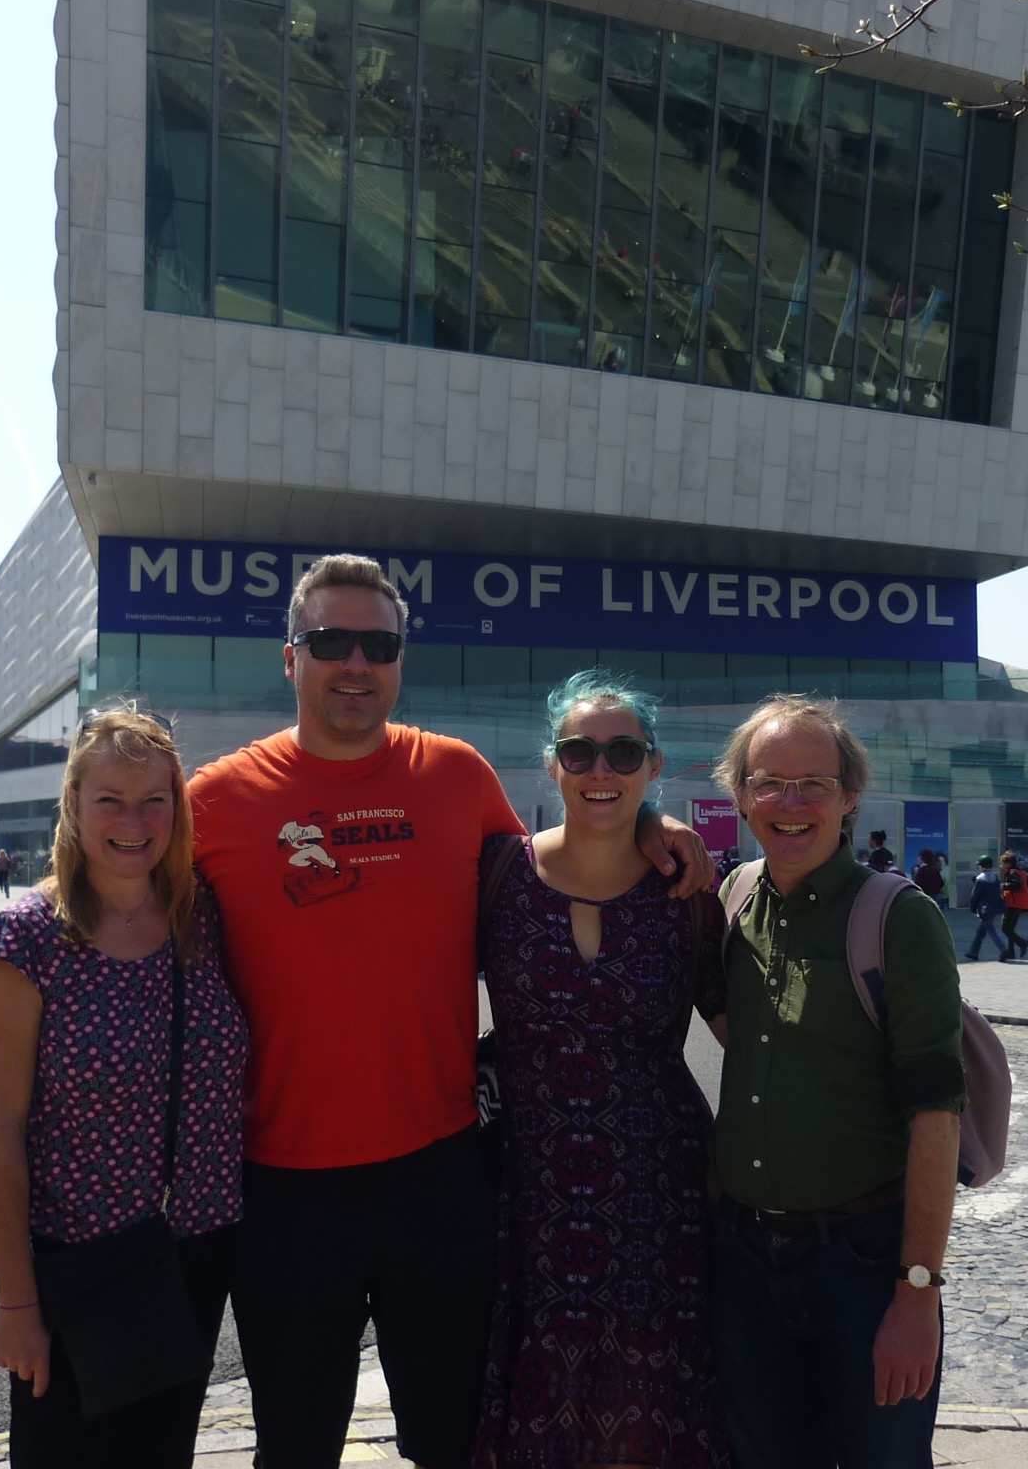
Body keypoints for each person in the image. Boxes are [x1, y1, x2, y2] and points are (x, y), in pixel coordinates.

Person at [185, 554, 710, 1469]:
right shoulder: (216, 800)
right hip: (282, 1187)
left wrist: (648, 821)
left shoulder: (455, 776)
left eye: (378, 646)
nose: (356, 663)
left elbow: (558, 868)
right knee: (295, 1445)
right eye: (331, 642)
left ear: (401, 660)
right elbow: (115, 915)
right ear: (290, 657)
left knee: (451, 1439)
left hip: (439, 1175)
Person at [0, 707, 248, 1468]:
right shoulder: (26, 937)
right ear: (74, 804)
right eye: (110, 801)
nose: (134, 821)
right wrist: (17, 1304)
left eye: (154, 800)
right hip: (78, 1268)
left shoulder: (202, 918)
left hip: (189, 1258)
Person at [474, 671, 730, 1469]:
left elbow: (750, 1041)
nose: (600, 770)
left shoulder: (685, 892)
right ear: (552, 763)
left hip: (660, 1194)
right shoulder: (498, 876)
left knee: (652, 1402)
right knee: (535, 1393)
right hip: (525, 1190)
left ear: (654, 766)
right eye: (579, 751)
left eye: (624, 753)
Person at [709, 695, 965, 1469]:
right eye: (769, 783)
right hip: (745, 1264)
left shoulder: (900, 919)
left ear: (850, 797)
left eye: (814, 785)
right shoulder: (732, 900)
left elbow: (937, 1118)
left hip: (862, 1265)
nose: (790, 805)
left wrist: (916, 1294)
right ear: (741, 795)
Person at [962, 854, 1007, 962]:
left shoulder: (980, 879)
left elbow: (975, 896)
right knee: (980, 932)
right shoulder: (995, 877)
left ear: (982, 866)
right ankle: (973, 952)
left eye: (979, 865)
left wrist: (973, 908)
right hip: (994, 907)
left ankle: (1003, 949)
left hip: (984, 909)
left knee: (990, 930)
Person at [998, 850, 1028, 959]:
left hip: (1013, 903)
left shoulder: (1013, 873)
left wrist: (1003, 886)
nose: (1001, 866)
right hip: (1018, 903)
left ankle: (1022, 942)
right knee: (1010, 928)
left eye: (1003, 863)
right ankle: (1011, 952)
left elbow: (1016, 885)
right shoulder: (1018, 872)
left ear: (1008, 864)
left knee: (1005, 928)